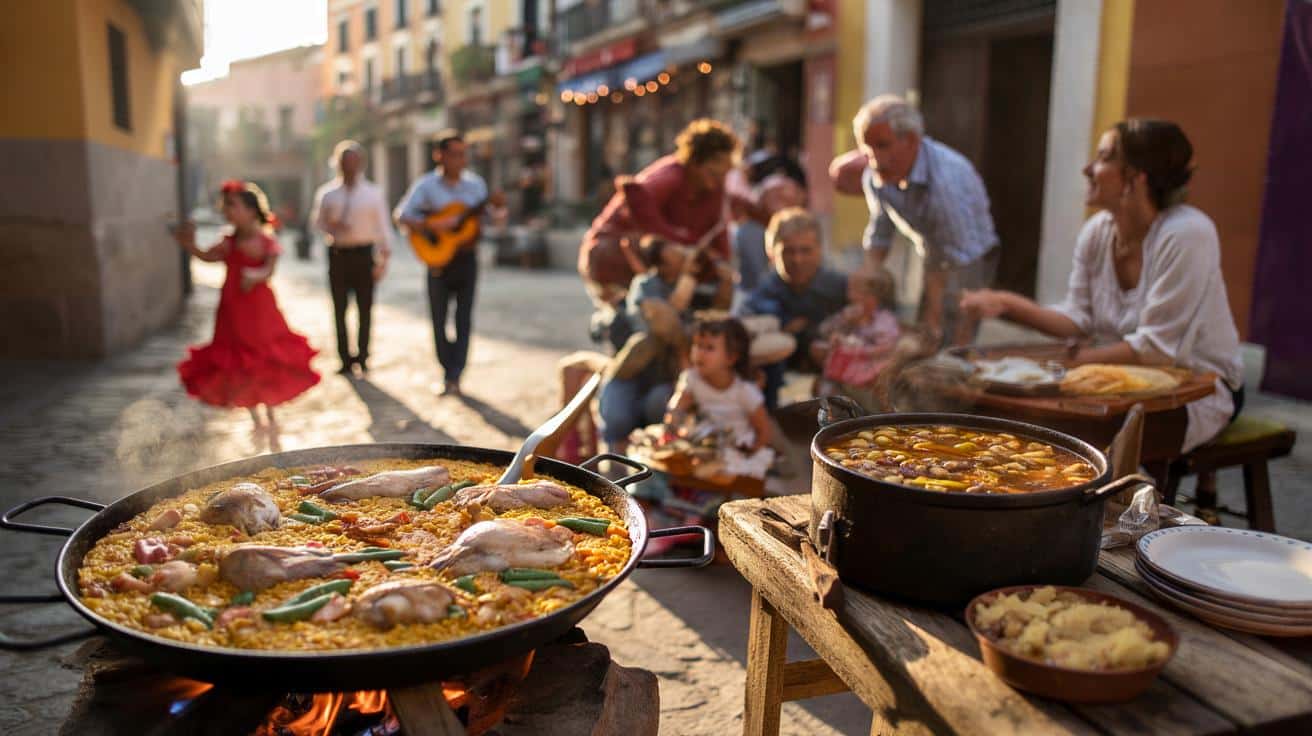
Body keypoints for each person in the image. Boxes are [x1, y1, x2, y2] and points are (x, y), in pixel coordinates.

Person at [959, 119, 1244, 453]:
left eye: (1105, 158)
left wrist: (1067, 367)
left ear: (1137, 178)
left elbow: (1157, 350)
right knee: (1015, 425)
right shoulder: (1098, 231)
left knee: (1078, 446)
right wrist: (1006, 304)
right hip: (1115, 382)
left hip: (1198, 390)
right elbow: (1078, 318)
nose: (1088, 169)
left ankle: (1123, 504)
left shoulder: (1187, 233)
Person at [830, 94, 999, 346]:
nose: (874, 158)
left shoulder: (945, 183)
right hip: (933, 250)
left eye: (883, 145)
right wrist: (870, 268)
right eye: (868, 147)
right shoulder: (876, 174)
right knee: (928, 326)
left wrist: (933, 318)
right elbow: (881, 227)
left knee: (953, 326)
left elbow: (951, 260)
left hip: (971, 254)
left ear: (910, 140)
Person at [174, 180, 320, 451]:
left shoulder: (264, 240)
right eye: (225, 206)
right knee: (238, 362)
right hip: (231, 310)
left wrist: (256, 275)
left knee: (264, 358)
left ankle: (272, 416)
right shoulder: (228, 241)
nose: (227, 212)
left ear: (252, 211)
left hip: (259, 311)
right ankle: (256, 419)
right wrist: (190, 245)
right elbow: (207, 256)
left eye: (233, 206)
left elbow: (269, 268)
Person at [579, 119, 741, 349]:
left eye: (722, 176)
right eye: (713, 174)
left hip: (668, 269)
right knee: (637, 334)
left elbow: (718, 230)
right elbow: (638, 201)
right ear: (695, 163)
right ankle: (614, 326)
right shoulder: (669, 176)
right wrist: (679, 248)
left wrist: (718, 264)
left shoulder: (712, 189)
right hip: (617, 259)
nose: (717, 183)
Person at [598, 236, 734, 452]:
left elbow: (718, 317)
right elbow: (660, 322)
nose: (682, 260)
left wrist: (725, 283)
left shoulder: (703, 283)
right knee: (617, 417)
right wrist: (687, 280)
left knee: (660, 408)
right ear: (660, 267)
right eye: (675, 259)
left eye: (682, 255)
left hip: (666, 377)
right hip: (632, 371)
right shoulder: (646, 285)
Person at [395, 132, 504, 396]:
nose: (459, 160)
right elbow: (402, 216)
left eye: (463, 154)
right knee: (439, 318)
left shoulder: (476, 186)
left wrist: (498, 216)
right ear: (439, 155)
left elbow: (487, 220)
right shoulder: (426, 186)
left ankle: (457, 373)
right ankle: (447, 369)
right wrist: (432, 224)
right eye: (454, 154)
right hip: (438, 259)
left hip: (466, 258)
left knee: (464, 318)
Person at [740, 208, 847, 409]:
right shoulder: (759, 300)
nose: (797, 259)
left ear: (819, 249)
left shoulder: (842, 289)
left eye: (805, 250)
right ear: (771, 253)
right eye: (788, 251)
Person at [310, 140, 393, 375]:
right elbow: (317, 222)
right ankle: (345, 358)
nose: (350, 167)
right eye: (345, 163)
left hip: (364, 254)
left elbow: (384, 228)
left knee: (365, 308)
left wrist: (383, 260)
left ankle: (364, 356)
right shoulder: (328, 194)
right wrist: (331, 225)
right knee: (340, 308)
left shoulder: (373, 194)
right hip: (338, 254)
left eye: (354, 162)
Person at [664, 316, 774, 480]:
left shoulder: (744, 391)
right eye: (698, 345)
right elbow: (677, 408)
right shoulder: (692, 379)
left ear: (730, 358)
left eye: (709, 348)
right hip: (707, 443)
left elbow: (765, 430)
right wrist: (674, 422)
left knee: (725, 473)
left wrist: (751, 451)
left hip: (737, 448)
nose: (700, 353)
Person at [811, 269, 902, 409]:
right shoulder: (850, 314)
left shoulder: (884, 320)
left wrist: (860, 349)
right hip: (849, 364)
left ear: (874, 298)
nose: (850, 296)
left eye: (857, 291)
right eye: (850, 290)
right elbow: (825, 330)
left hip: (871, 365)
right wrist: (843, 325)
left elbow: (887, 346)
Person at [733, 173, 807, 294]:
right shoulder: (752, 231)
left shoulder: (798, 229)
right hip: (755, 298)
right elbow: (761, 277)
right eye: (777, 197)